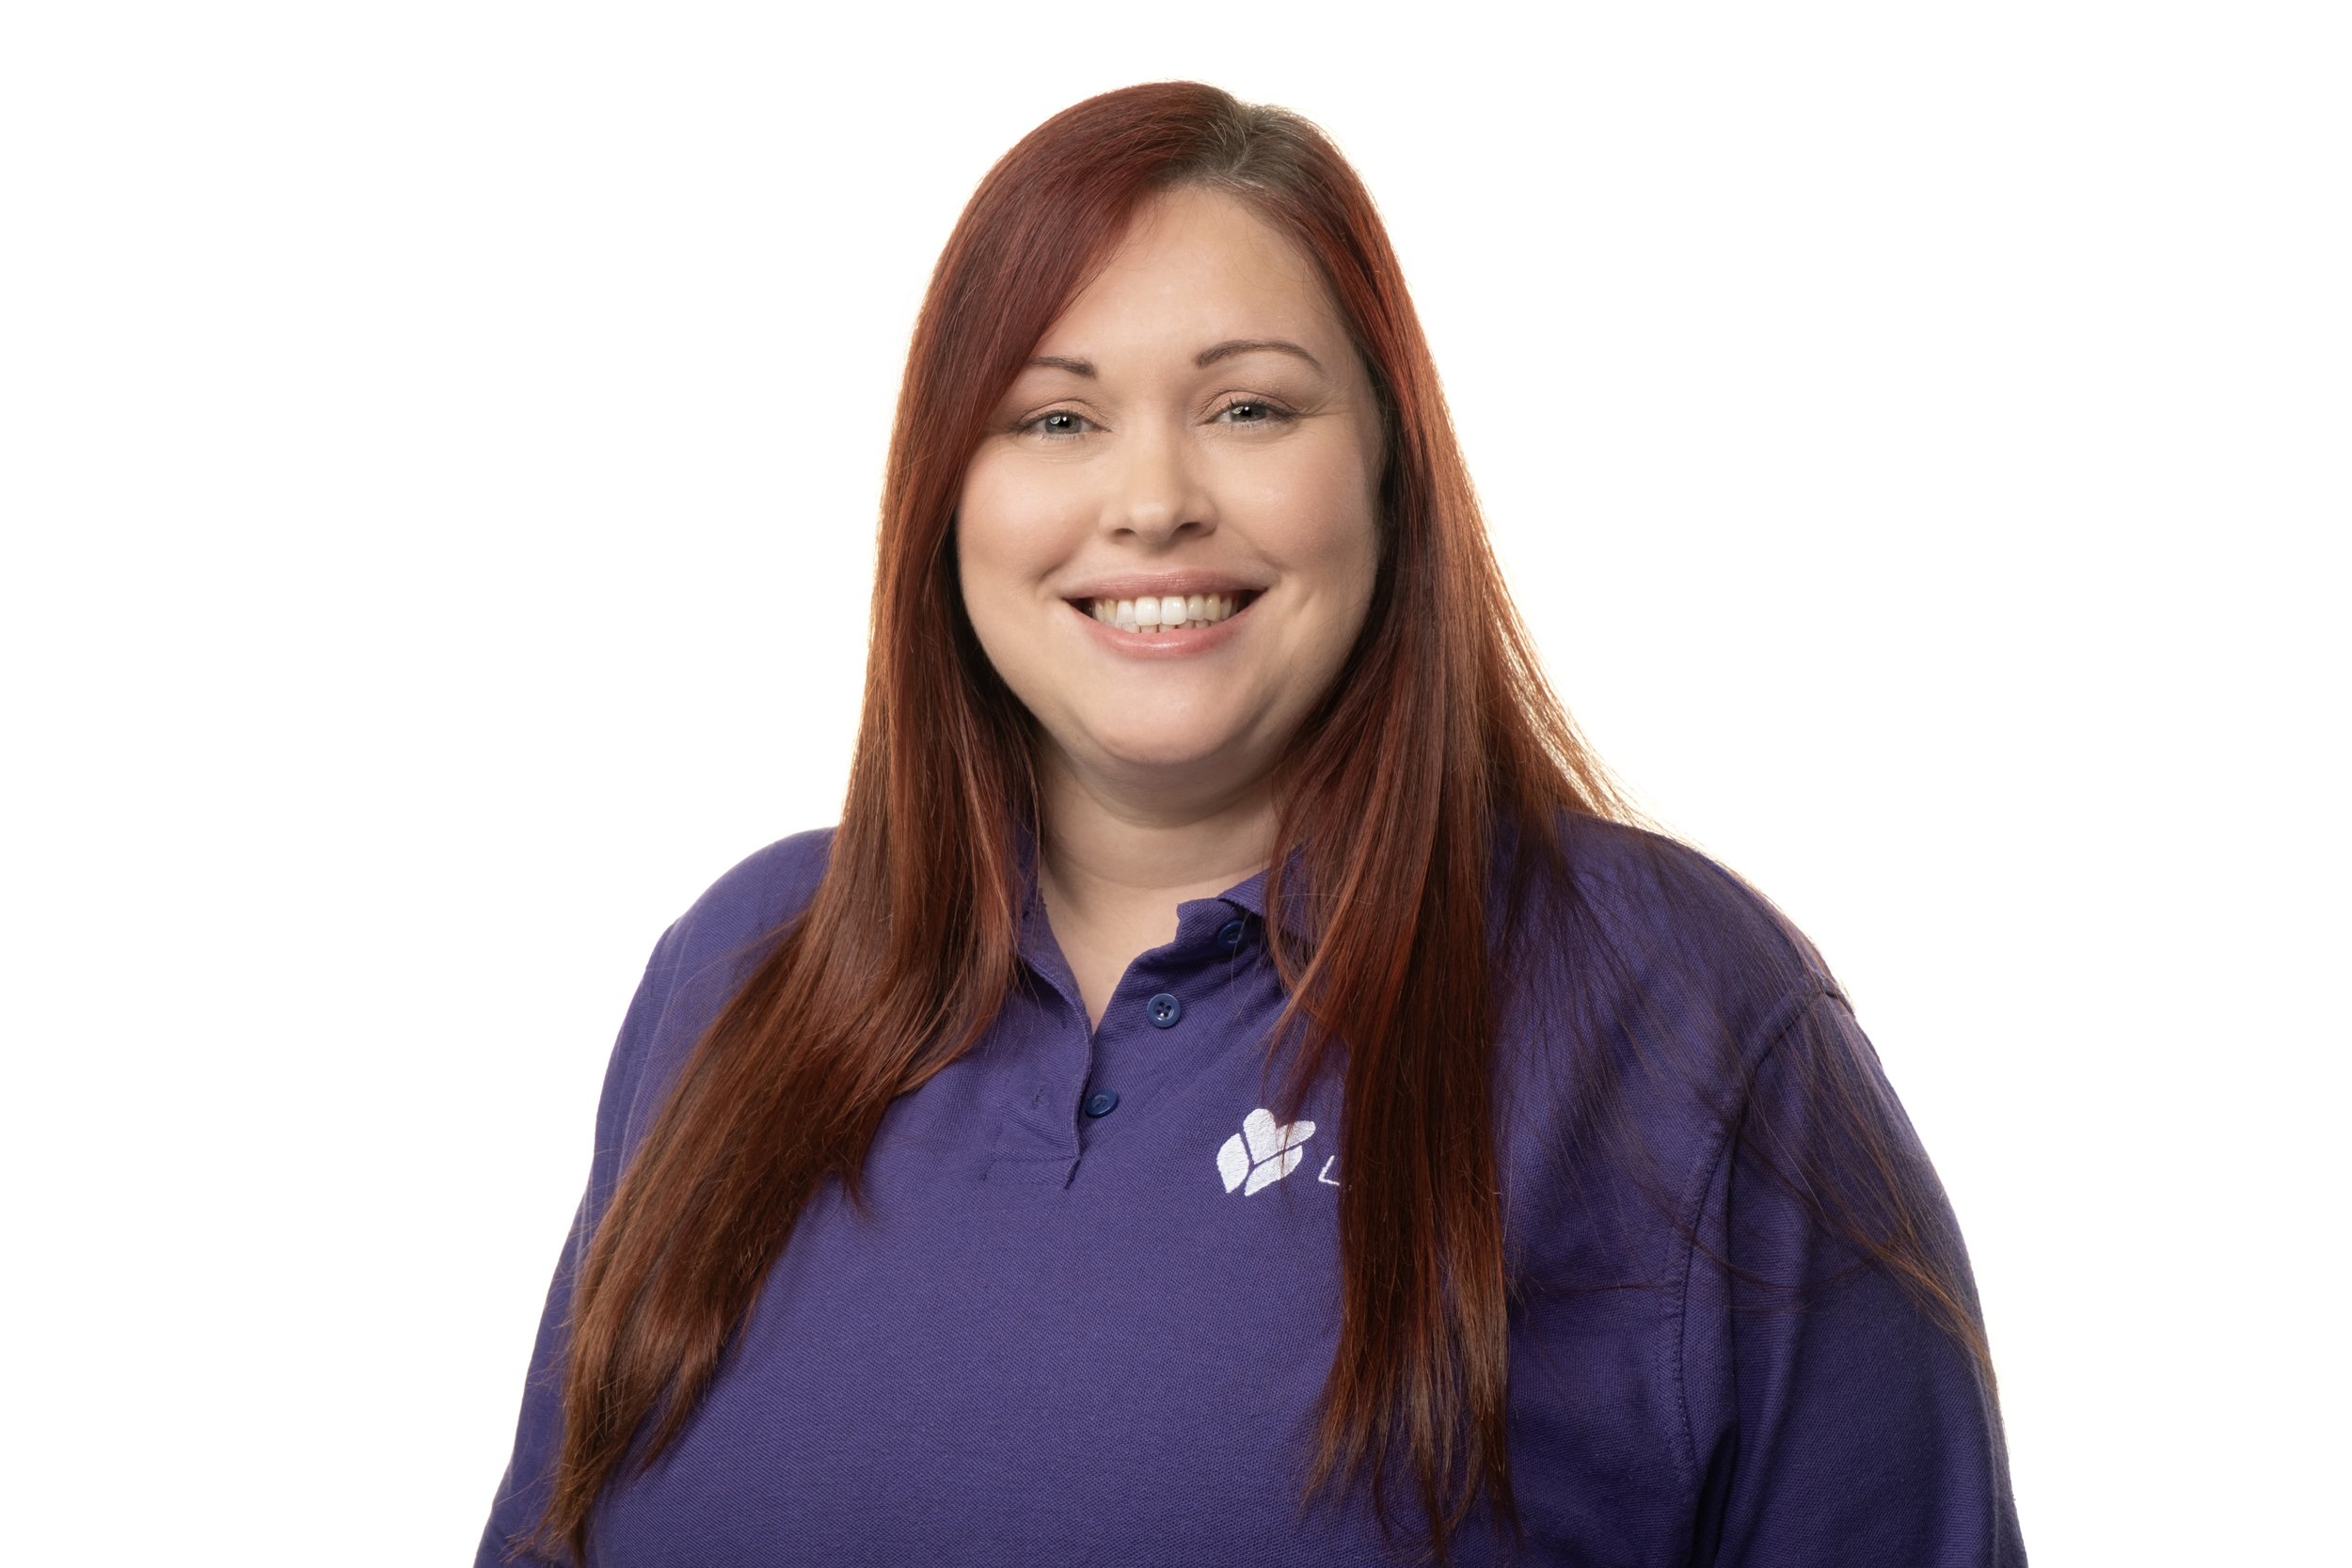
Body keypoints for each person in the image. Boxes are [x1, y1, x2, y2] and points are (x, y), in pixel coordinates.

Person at [474, 82, 2026, 1567]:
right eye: (1054, 420)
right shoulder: (738, 975)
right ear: (945, 500)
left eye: (1247, 406)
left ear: (1389, 474)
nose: (1152, 500)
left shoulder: (1680, 1013)